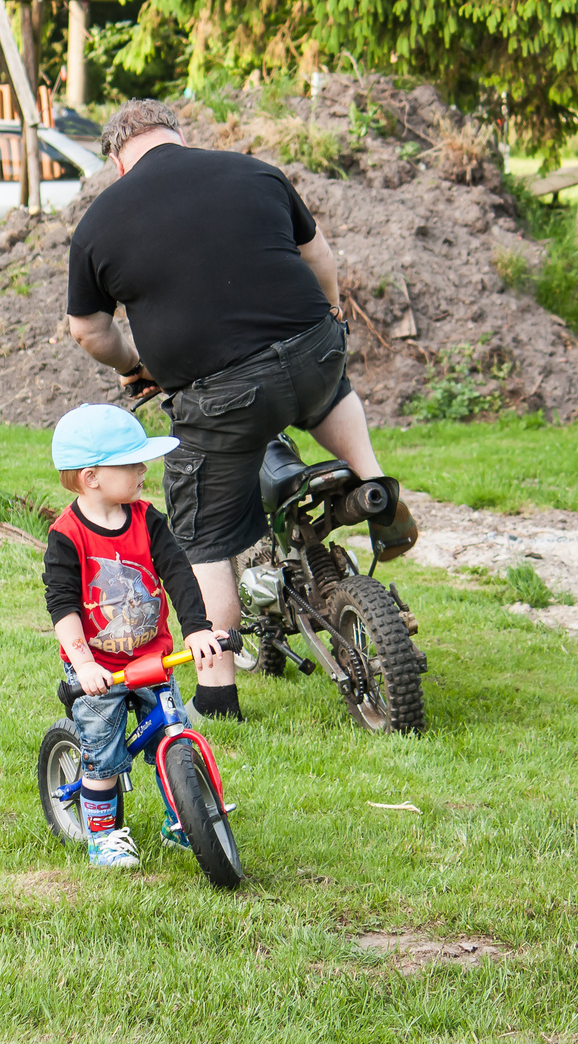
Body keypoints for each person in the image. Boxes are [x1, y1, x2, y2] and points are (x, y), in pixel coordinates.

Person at [65, 99, 417, 724]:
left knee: (202, 533)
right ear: (177, 136)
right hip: (312, 350)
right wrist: (330, 317)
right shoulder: (254, 172)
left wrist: (132, 364)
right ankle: (373, 484)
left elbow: (88, 331)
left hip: (219, 392)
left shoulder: (99, 222)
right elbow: (321, 260)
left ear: (118, 161)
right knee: (328, 392)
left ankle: (219, 693)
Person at [43, 403, 225, 869]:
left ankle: (180, 820)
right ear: (92, 477)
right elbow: (62, 605)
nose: (144, 469)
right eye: (132, 463)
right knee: (103, 754)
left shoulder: (147, 519)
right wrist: (83, 664)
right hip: (98, 669)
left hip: (152, 660)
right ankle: (103, 833)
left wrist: (198, 629)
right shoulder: (67, 536)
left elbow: (178, 573)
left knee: (175, 734)